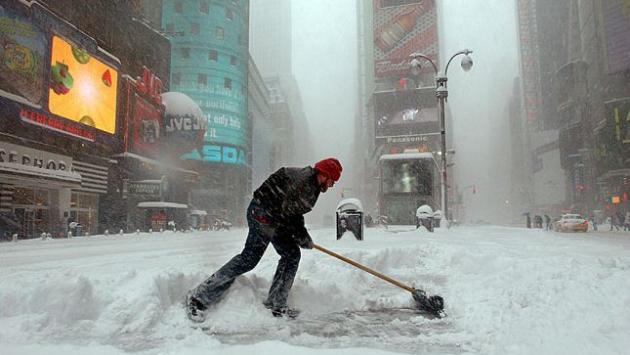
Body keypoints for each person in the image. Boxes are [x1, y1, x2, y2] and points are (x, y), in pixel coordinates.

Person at [185, 158, 343, 321]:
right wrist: (300, 236)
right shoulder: (303, 181)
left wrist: (302, 235)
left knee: (291, 254)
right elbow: (288, 211)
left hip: (275, 217)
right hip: (262, 214)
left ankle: (276, 304)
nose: (332, 185)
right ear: (324, 174)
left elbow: (295, 213)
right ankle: (199, 297)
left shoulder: (311, 185)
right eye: (332, 180)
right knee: (248, 259)